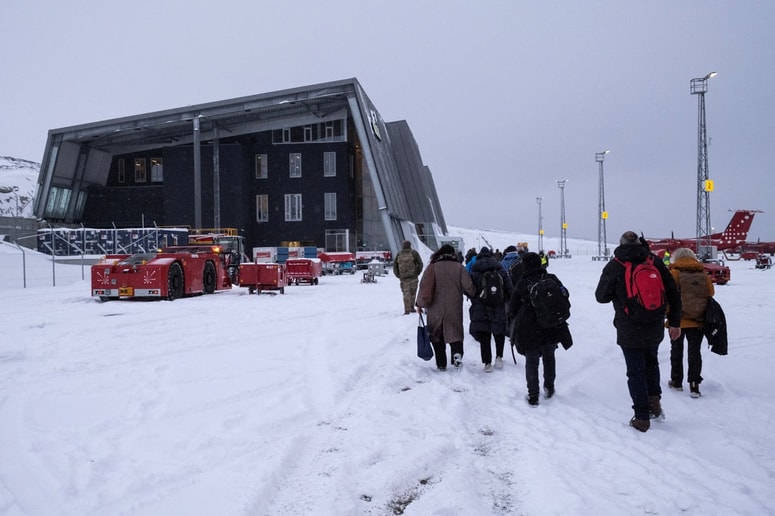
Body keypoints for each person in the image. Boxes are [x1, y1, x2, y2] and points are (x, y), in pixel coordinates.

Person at [595, 231, 682, 432]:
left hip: (628, 326)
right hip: (654, 323)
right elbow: (672, 292)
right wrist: (675, 322)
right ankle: (654, 403)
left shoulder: (616, 264)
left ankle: (642, 416)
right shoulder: (654, 261)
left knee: (635, 371)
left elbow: (601, 296)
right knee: (651, 363)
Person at [507, 252, 570, 405]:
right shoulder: (551, 278)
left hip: (529, 328)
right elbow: (565, 295)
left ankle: (533, 395)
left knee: (532, 361)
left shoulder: (522, 282)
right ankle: (549, 387)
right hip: (550, 325)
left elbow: (513, 307)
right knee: (549, 357)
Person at [416, 244, 476, 371]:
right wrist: (474, 294)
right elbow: (469, 287)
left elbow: (424, 286)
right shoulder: (459, 267)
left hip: (435, 308)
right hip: (454, 306)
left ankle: (441, 363)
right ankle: (457, 354)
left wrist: (419, 304)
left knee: (437, 334)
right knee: (455, 332)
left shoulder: (432, 267)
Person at [667, 247, 715, 398]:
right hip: (698, 320)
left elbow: (668, 293)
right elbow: (711, 292)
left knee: (676, 350)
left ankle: (676, 381)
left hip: (678, 321)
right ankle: (694, 384)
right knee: (694, 352)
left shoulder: (674, 272)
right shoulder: (702, 273)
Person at [468, 247, 513, 372]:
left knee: (484, 335)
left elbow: (470, 290)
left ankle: (487, 363)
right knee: (499, 332)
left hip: (480, 306)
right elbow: (509, 288)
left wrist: (475, 299)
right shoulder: (500, 269)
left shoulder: (475, 271)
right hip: (498, 305)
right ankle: (499, 358)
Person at [393, 240, 424, 315]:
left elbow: (395, 266)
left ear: (403, 246)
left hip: (403, 278)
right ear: (410, 245)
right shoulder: (414, 253)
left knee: (406, 293)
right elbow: (420, 264)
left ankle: (407, 310)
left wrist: (399, 275)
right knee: (413, 293)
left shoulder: (399, 254)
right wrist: (417, 273)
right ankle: (412, 307)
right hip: (413, 277)